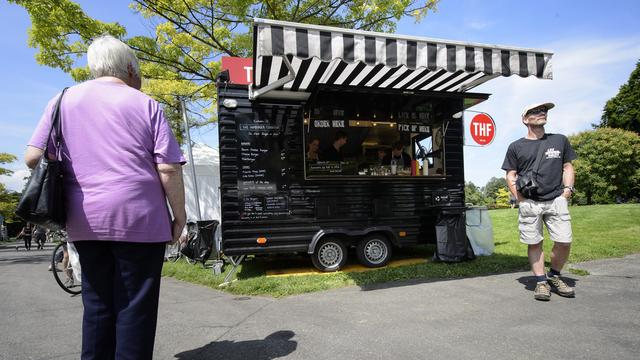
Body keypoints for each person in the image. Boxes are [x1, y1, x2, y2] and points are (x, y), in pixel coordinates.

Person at [25, 35, 186, 359]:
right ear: (129, 67)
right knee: (135, 308)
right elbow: (168, 169)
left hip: (85, 220)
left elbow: (33, 157)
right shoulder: (146, 105)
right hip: (140, 221)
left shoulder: (61, 100)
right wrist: (178, 217)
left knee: (96, 305)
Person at [501, 102, 577, 301]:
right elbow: (510, 175)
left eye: (543, 111)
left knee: (564, 241)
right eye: (534, 111)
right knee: (534, 242)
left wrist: (566, 192)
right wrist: (520, 199)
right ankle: (541, 282)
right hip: (530, 202)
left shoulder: (559, 140)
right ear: (525, 119)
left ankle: (555, 275)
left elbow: (567, 167)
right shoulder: (516, 146)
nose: (541, 113)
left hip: (556, 200)